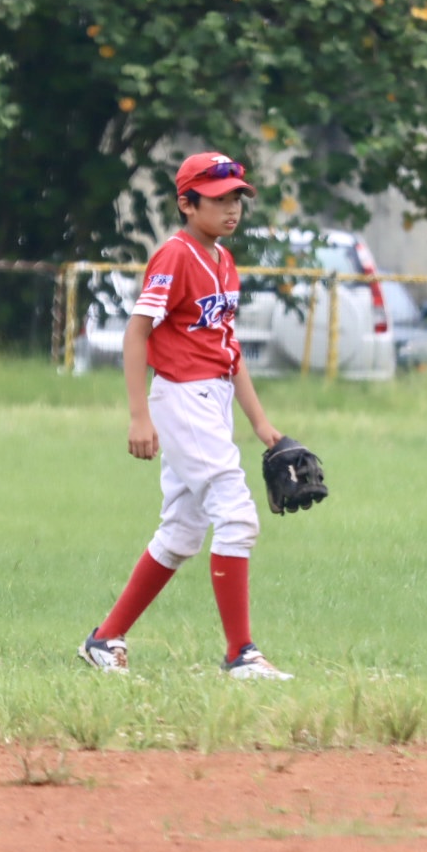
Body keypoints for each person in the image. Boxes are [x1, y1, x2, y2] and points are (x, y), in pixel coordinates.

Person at [77, 150, 294, 680]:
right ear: (187, 203)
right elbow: (137, 333)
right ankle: (241, 653)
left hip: (212, 399)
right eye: (218, 199)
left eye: (237, 198)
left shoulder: (223, 261)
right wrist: (139, 416)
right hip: (181, 397)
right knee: (237, 516)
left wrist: (261, 424)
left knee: (181, 531)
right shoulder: (174, 256)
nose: (232, 208)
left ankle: (104, 639)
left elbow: (229, 350)